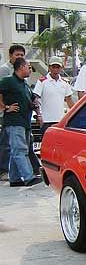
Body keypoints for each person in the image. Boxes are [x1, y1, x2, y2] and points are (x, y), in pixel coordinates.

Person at [0, 57, 42, 187]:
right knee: (20, 150)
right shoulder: (8, 81)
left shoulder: (24, 85)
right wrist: (5, 107)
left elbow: (29, 100)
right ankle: (28, 176)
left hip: (25, 122)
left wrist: (35, 106)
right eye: (28, 67)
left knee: (16, 151)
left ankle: (15, 178)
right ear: (21, 67)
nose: (30, 70)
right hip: (14, 121)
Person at [33, 56, 74, 139]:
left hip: (60, 120)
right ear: (49, 67)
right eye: (53, 67)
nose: (55, 70)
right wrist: (39, 115)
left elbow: (69, 100)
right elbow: (35, 98)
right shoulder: (42, 82)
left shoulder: (64, 83)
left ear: (61, 68)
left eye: (58, 67)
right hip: (46, 120)